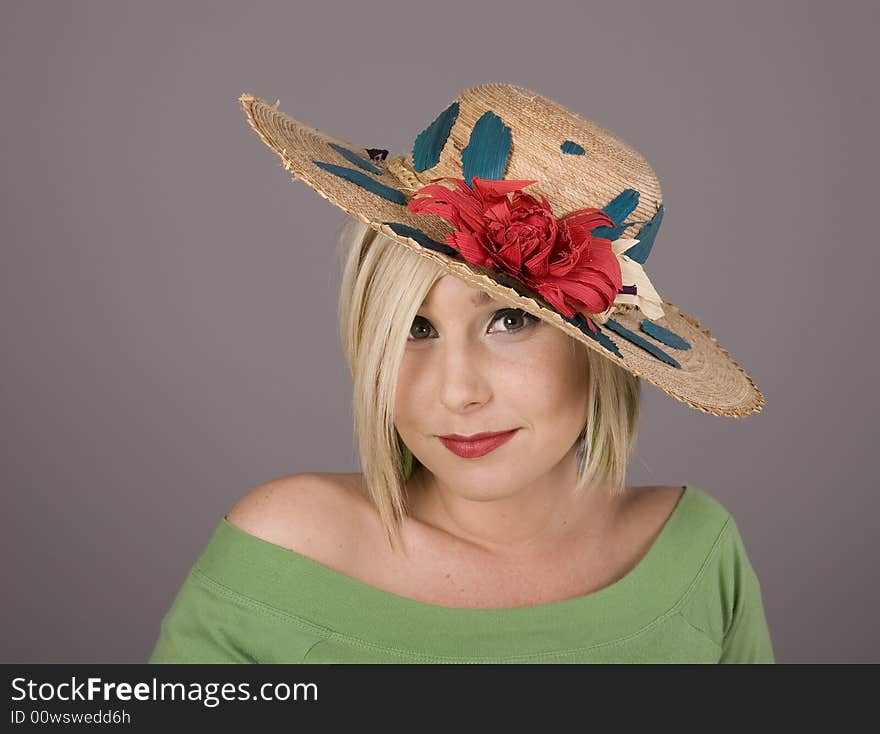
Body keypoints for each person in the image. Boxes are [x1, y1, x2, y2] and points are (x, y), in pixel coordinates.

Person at [148, 83, 774, 663]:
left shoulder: (696, 555)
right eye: (416, 330)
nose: (456, 392)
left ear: (601, 352)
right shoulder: (282, 554)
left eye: (509, 322)